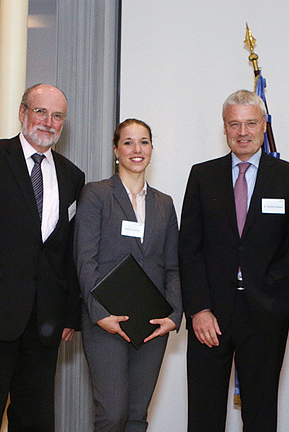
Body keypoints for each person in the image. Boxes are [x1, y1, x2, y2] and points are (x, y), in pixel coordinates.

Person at [0, 83, 85, 431]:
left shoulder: (72, 176)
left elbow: (66, 252)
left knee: (36, 421)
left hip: (44, 324)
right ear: (23, 113)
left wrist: (70, 314)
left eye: (58, 116)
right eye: (41, 112)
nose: (49, 122)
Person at [178, 89, 289, 431]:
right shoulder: (202, 176)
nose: (243, 132)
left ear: (264, 126)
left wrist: (282, 303)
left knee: (261, 416)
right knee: (204, 415)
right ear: (224, 128)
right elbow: (189, 248)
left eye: (251, 123)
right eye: (234, 124)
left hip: (265, 313)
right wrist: (198, 309)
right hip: (210, 315)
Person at [74, 118, 182, 431]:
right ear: (116, 150)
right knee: (112, 414)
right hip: (106, 322)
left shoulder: (164, 204)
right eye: (128, 142)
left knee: (136, 415)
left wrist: (174, 315)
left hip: (153, 323)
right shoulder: (96, 195)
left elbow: (172, 266)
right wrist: (100, 314)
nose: (137, 149)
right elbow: (85, 260)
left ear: (151, 149)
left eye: (144, 142)